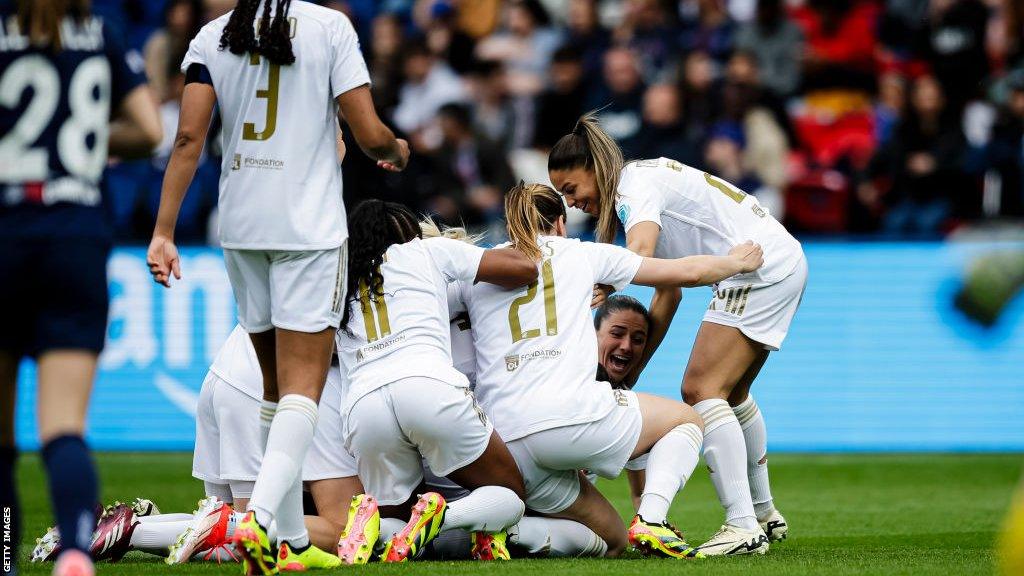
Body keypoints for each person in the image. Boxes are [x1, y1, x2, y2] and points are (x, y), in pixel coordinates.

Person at [145, 1, 409, 573]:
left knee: (274, 387)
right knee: (303, 391)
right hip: (308, 230)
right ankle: (261, 519)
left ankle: (288, 539)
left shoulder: (212, 37)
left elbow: (189, 138)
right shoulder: (329, 28)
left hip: (241, 227)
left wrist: (163, 231)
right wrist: (395, 149)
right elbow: (367, 131)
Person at [455, 183, 764, 559]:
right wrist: (737, 263)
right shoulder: (583, 254)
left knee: (611, 541)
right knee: (685, 420)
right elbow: (684, 272)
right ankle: (652, 519)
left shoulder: (480, 270)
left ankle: (510, 534)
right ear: (561, 223)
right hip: (569, 415)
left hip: (504, 442)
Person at [548, 113, 807, 556]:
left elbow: (641, 253)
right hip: (776, 259)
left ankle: (742, 526)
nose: (571, 203)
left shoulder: (633, 186)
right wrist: (632, 374)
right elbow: (667, 292)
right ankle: (763, 512)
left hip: (755, 267)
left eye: (571, 189)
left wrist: (606, 282)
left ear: (596, 167)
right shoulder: (646, 181)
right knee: (733, 393)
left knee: (700, 389)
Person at [0, 0, 162, 574]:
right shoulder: (103, 32)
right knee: (63, 426)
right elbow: (148, 128)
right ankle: (74, 549)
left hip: (5, 236)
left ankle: (3, 559)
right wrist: (90, 142)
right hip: (75, 240)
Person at [333, 200, 535, 564]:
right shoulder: (426, 250)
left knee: (398, 524)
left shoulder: (339, 281)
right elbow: (522, 269)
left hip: (362, 404)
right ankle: (444, 517)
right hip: (426, 383)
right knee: (508, 494)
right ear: (407, 231)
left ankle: (371, 524)